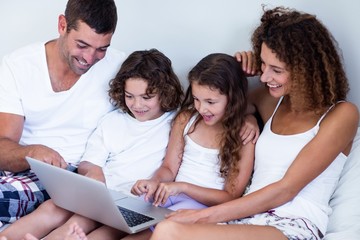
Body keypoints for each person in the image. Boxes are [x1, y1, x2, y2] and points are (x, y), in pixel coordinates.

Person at [148, 6, 359, 240]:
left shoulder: (342, 115)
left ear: (305, 70)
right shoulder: (270, 101)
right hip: (248, 220)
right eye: (263, 65)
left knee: (169, 231)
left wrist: (202, 216)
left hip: (291, 226)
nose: (265, 77)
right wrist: (240, 80)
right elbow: (226, 103)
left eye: (276, 70)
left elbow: (286, 189)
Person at [0, 48, 184, 240]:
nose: (137, 105)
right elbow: (90, 162)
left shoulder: (174, 124)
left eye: (146, 97)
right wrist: (95, 174)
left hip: (135, 202)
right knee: (52, 208)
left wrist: (154, 183)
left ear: (165, 92)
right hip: (103, 194)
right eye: (129, 96)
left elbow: (169, 168)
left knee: (78, 223)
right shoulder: (113, 121)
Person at [0, 0, 125, 225]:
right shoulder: (17, 66)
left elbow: (156, 114)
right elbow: (3, 146)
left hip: (66, 178)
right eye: (82, 45)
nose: (89, 58)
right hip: (21, 164)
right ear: (62, 25)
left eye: (101, 49)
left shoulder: (121, 68)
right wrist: (33, 152)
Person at [125, 53, 255, 240]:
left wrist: (183, 187)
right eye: (196, 99)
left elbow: (230, 196)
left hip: (203, 209)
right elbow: (169, 168)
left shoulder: (244, 136)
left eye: (210, 102)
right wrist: (155, 182)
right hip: (170, 195)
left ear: (232, 98)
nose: (202, 109)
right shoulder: (187, 119)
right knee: (123, 224)